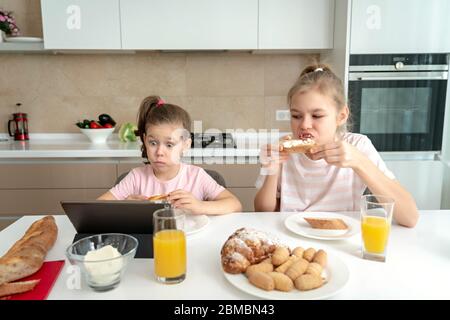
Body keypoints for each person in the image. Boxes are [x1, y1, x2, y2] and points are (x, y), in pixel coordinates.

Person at [254, 64, 419, 228]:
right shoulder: (282, 149)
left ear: (341, 116)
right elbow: (262, 212)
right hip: (293, 240)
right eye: (296, 116)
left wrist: (359, 162)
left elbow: (410, 217)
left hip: (343, 238)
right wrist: (272, 171)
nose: (304, 125)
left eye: (317, 115)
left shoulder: (357, 146)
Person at [98, 95, 242, 215]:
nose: (160, 152)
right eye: (153, 143)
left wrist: (199, 206)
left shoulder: (197, 176)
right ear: (144, 140)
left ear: (185, 144)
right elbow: (97, 208)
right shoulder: (136, 178)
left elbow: (235, 204)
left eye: (169, 145)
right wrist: (124, 207)